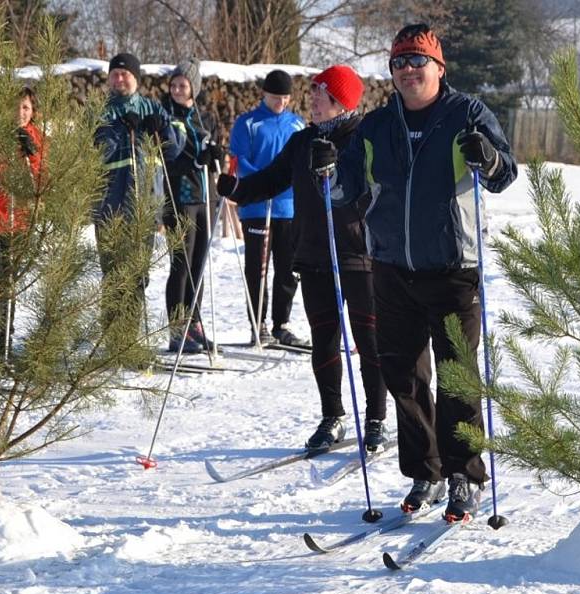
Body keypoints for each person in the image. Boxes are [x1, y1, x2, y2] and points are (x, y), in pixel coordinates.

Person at [310, 24, 518, 522]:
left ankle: (463, 476)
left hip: (453, 268)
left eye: (416, 61)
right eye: (399, 62)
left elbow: (504, 174)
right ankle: (425, 470)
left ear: (438, 67)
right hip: (391, 268)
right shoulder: (378, 127)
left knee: (457, 379)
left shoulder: (467, 114)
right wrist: (328, 171)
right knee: (404, 376)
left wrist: (486, 157)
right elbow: (345, 192)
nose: (407, 70)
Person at [217, 65, 388, 452]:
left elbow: (374, 186)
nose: (311, 99)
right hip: (313, 255)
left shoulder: (363, 139)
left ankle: (375, 418)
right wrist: (238, 189)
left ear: (341, 101)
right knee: (324, 343)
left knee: (369, 341)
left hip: (358, 255)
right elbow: (273, 178)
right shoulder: (301, 141)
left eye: (320, 94)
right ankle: (333, 417)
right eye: (311, 93)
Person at [93, 52, 184, 332]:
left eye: (126, 74)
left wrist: (162, 128)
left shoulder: (151, 108)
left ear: (136, 79)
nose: (120, 79)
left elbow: (176, 146)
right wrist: (120, 130)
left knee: (137, 275)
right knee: (112, 273)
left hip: (143, 206)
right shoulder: (100, 110)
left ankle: (129, 338)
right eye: (115, 74)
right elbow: (95, 149)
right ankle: (110, 339)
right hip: (109, 206)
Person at [228, 69, 306, 347]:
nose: (281, 103)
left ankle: (281, 324)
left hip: (289, 207)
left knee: (287, 268)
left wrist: (290, 184)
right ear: (265, 94)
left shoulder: (297, 124)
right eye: (276, 97)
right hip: (258, 206)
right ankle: (257, 322)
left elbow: (302, 162)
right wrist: (265, 183)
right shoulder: (247, 123)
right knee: (257, 268)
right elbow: (238, 162)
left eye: (285, 97)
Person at [162, 58, 224, 354]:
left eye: (182, 85)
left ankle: (194, 321)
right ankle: (177, 328)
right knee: (181, 264)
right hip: (179, 198)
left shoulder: (205, 117)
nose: (176, 89)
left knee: (198, 265)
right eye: (174, 84)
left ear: (194, 89)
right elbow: (168, 157)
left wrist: (215, 154)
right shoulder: (166, 116)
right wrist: (193, 160)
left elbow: (213, 153)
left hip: (204, 198)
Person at [0, 86, 45, 356]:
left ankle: (3, 342)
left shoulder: (37, 138)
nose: (20, 112)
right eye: (16, 106)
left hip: (18, 221)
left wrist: (31, 154)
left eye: (26, 107)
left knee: (9, 283)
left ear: (33, 112)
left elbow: (42, 179)